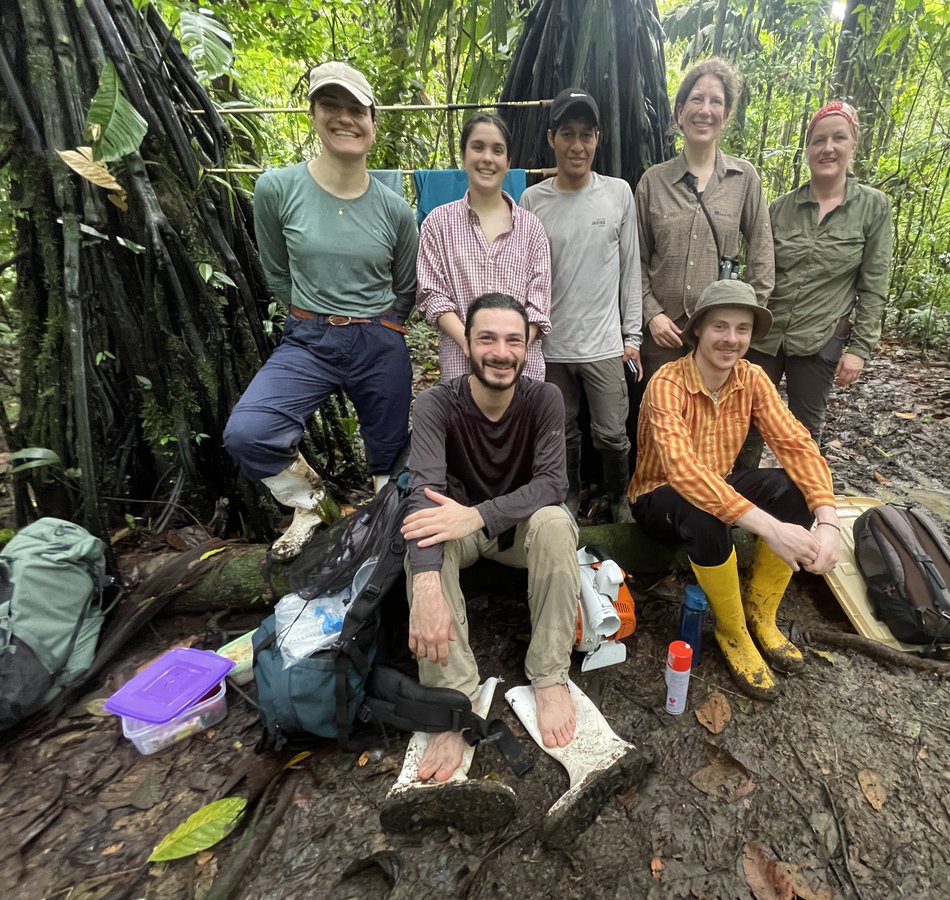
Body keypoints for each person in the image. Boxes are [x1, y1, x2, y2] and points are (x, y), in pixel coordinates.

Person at [224, 62, 419, 560]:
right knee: (250, 432)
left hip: (378, 339)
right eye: (331, 106)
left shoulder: (394, 208)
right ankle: (311, 502)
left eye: (357, 109)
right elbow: (276, 270)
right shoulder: (277, 189)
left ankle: (382, 532)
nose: (345, 118)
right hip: (309, 338)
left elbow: (405, 284)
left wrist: (389, 325)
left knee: (390, 453)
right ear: (313, 114)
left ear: (373, 123)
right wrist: (312, 312)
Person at [628, 281, 840, 700]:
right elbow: (683, 471)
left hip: (719, 487)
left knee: (793, 488)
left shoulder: (752, 379)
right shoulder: (667, 383)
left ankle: (762, 614)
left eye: (742, 329)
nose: (731, 339)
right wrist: (770, 528)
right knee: (703, 508)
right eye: (720, 327)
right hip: (660, 496)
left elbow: (796, 444)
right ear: (699, 332)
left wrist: (828, 520)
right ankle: (732, 629)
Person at [402, 293, 580, 782]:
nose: (500, 352)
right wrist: (425, 587)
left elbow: (551, 484)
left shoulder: (543, 398)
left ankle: (549, 675)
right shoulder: (437, 403)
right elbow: (422, 496)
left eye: (513, 340)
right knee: (424, 540)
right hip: (455, 530)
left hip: (513, 532)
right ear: (467, 344)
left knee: (555, 522)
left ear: (527, 348)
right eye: (487, 338)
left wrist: (477, 515)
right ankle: (453, 701)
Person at [519, 87, 641, 521]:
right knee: (562, 429)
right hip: (551, 344)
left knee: (611, 433)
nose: (577, 145)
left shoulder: (619, 193)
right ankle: (568, 496)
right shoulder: (533, 200)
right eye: (567, 133)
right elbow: (525, 275)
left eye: (586, 134)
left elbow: (631, 269)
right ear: (551, 138)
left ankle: (619, 497)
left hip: (605, 343)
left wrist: (633, 337)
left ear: (598, 138)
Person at [746, 101, 892, 449]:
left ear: (852, 143)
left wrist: (859, 349)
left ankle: (800, 500)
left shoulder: (873, 207)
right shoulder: (781, 208)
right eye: (818, 140)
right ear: (808, 148)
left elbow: (873, 285)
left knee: (803, 434)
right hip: (766, 336)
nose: (827, 148)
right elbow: (759, 272)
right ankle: (739, 497)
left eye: (838, 138)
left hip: (819, 338)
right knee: (745, 423)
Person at [634, 57, 774, 382]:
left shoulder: (744, 179)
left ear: (725, 117)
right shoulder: (653, 182)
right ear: (680, 111)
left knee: (713, 427)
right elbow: (635, 261)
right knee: (659, 424)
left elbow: (763, 256)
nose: (705, 110)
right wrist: (652, 315)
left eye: (716, 102)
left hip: (718, 341)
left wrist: (740, 323)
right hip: (662, 338)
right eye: (696, 99)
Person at [416, 113, 553, 382]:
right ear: (464, 156)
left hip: (522, 372)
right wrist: (471, 344)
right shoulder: (438, 223)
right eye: (478, 147)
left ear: (508, 162)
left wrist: (511, 351)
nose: (487, 158)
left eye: (497, 150)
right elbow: (432, 296)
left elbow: (538, 307)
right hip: (460, 367)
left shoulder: (531, 228)